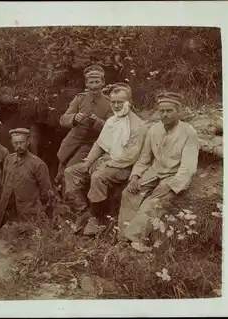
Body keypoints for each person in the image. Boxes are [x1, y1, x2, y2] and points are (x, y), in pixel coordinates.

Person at [119, 92, 200, 252]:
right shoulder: (154, 129)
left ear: (179, 111)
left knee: (154, 201)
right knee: (129, 193)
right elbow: (144, 158)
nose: (165, 115)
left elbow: (188, 167)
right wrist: (135, 176)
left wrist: (172, 186)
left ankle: (135, 239)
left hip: (174, 175)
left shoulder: (189, 132)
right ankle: (122, 237)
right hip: (155, 171)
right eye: (161, 111)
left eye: (169, 111)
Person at [64, 83, 148, 235]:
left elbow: (130, 156)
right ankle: (83, 212)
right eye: (113, 102)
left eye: (120, 102)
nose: (116, 105)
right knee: (71, 172)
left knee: (97, 176)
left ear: (129, 102)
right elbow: (99, 144)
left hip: (123, 167)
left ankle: (97, 219)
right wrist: (88, 162)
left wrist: (106, 164)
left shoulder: (138, 126)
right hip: (107, 161)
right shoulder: (111, 121)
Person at [55, 64, 114, 187]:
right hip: (71, 142)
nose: (93, 86)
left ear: (102, 83)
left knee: (72, 169)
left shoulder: (109, 103)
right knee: (61, 168)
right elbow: (63, 119)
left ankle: (71, 199)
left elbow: (111, 128)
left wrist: (97, 122)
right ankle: (60, 198)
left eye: (97, 82)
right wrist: (74, 118)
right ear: (86, 84)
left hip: (90, 144)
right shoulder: (80, 99)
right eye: (91, 82)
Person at [0, 128, 55, 228]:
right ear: (12, 143)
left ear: (28, 142)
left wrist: (44, 213)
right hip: (6, 214)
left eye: (21, 142)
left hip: (27, 215)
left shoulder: (38, 164)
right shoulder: (8, 160)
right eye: (15, 143)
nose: (18, 146)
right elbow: (4, 183)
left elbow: (47, 193)